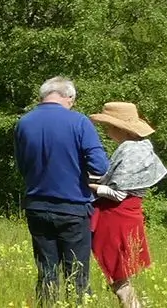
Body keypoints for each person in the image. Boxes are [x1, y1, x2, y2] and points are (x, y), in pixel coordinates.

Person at [14, 76, 110, 305]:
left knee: (46, 272)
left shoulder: (24, 123)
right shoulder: (79, 122)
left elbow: (21, 166)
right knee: (76, 275)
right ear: (69, 97)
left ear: (45, 95)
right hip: (73, 207)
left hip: (36, 205)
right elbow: (100, 166)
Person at [88, 102, 167, 308]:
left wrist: (91, 186)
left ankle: (133, 305)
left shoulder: (131, 151)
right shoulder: (142, 147)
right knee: (119, 274)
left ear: (119, 128)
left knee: (118, 274)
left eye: (108, 126)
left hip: (117, 217)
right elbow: (117, 181)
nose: (106, 131)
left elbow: (118, 193)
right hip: (127, 215)